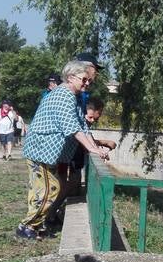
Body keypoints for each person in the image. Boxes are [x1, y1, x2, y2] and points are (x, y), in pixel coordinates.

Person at [16, 59, 110, 240]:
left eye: (89, 80)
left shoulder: (71, 97)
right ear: (70, 77)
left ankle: (35, 225)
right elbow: (72, 128)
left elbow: (82, 126)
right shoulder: (63, 96)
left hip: (48, 153)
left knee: (45, 189)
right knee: (48, 189)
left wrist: (94, 147)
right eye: (84, 79)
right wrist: (93, 149)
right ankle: (26, 226)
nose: (87, 83)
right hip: (40, 151)